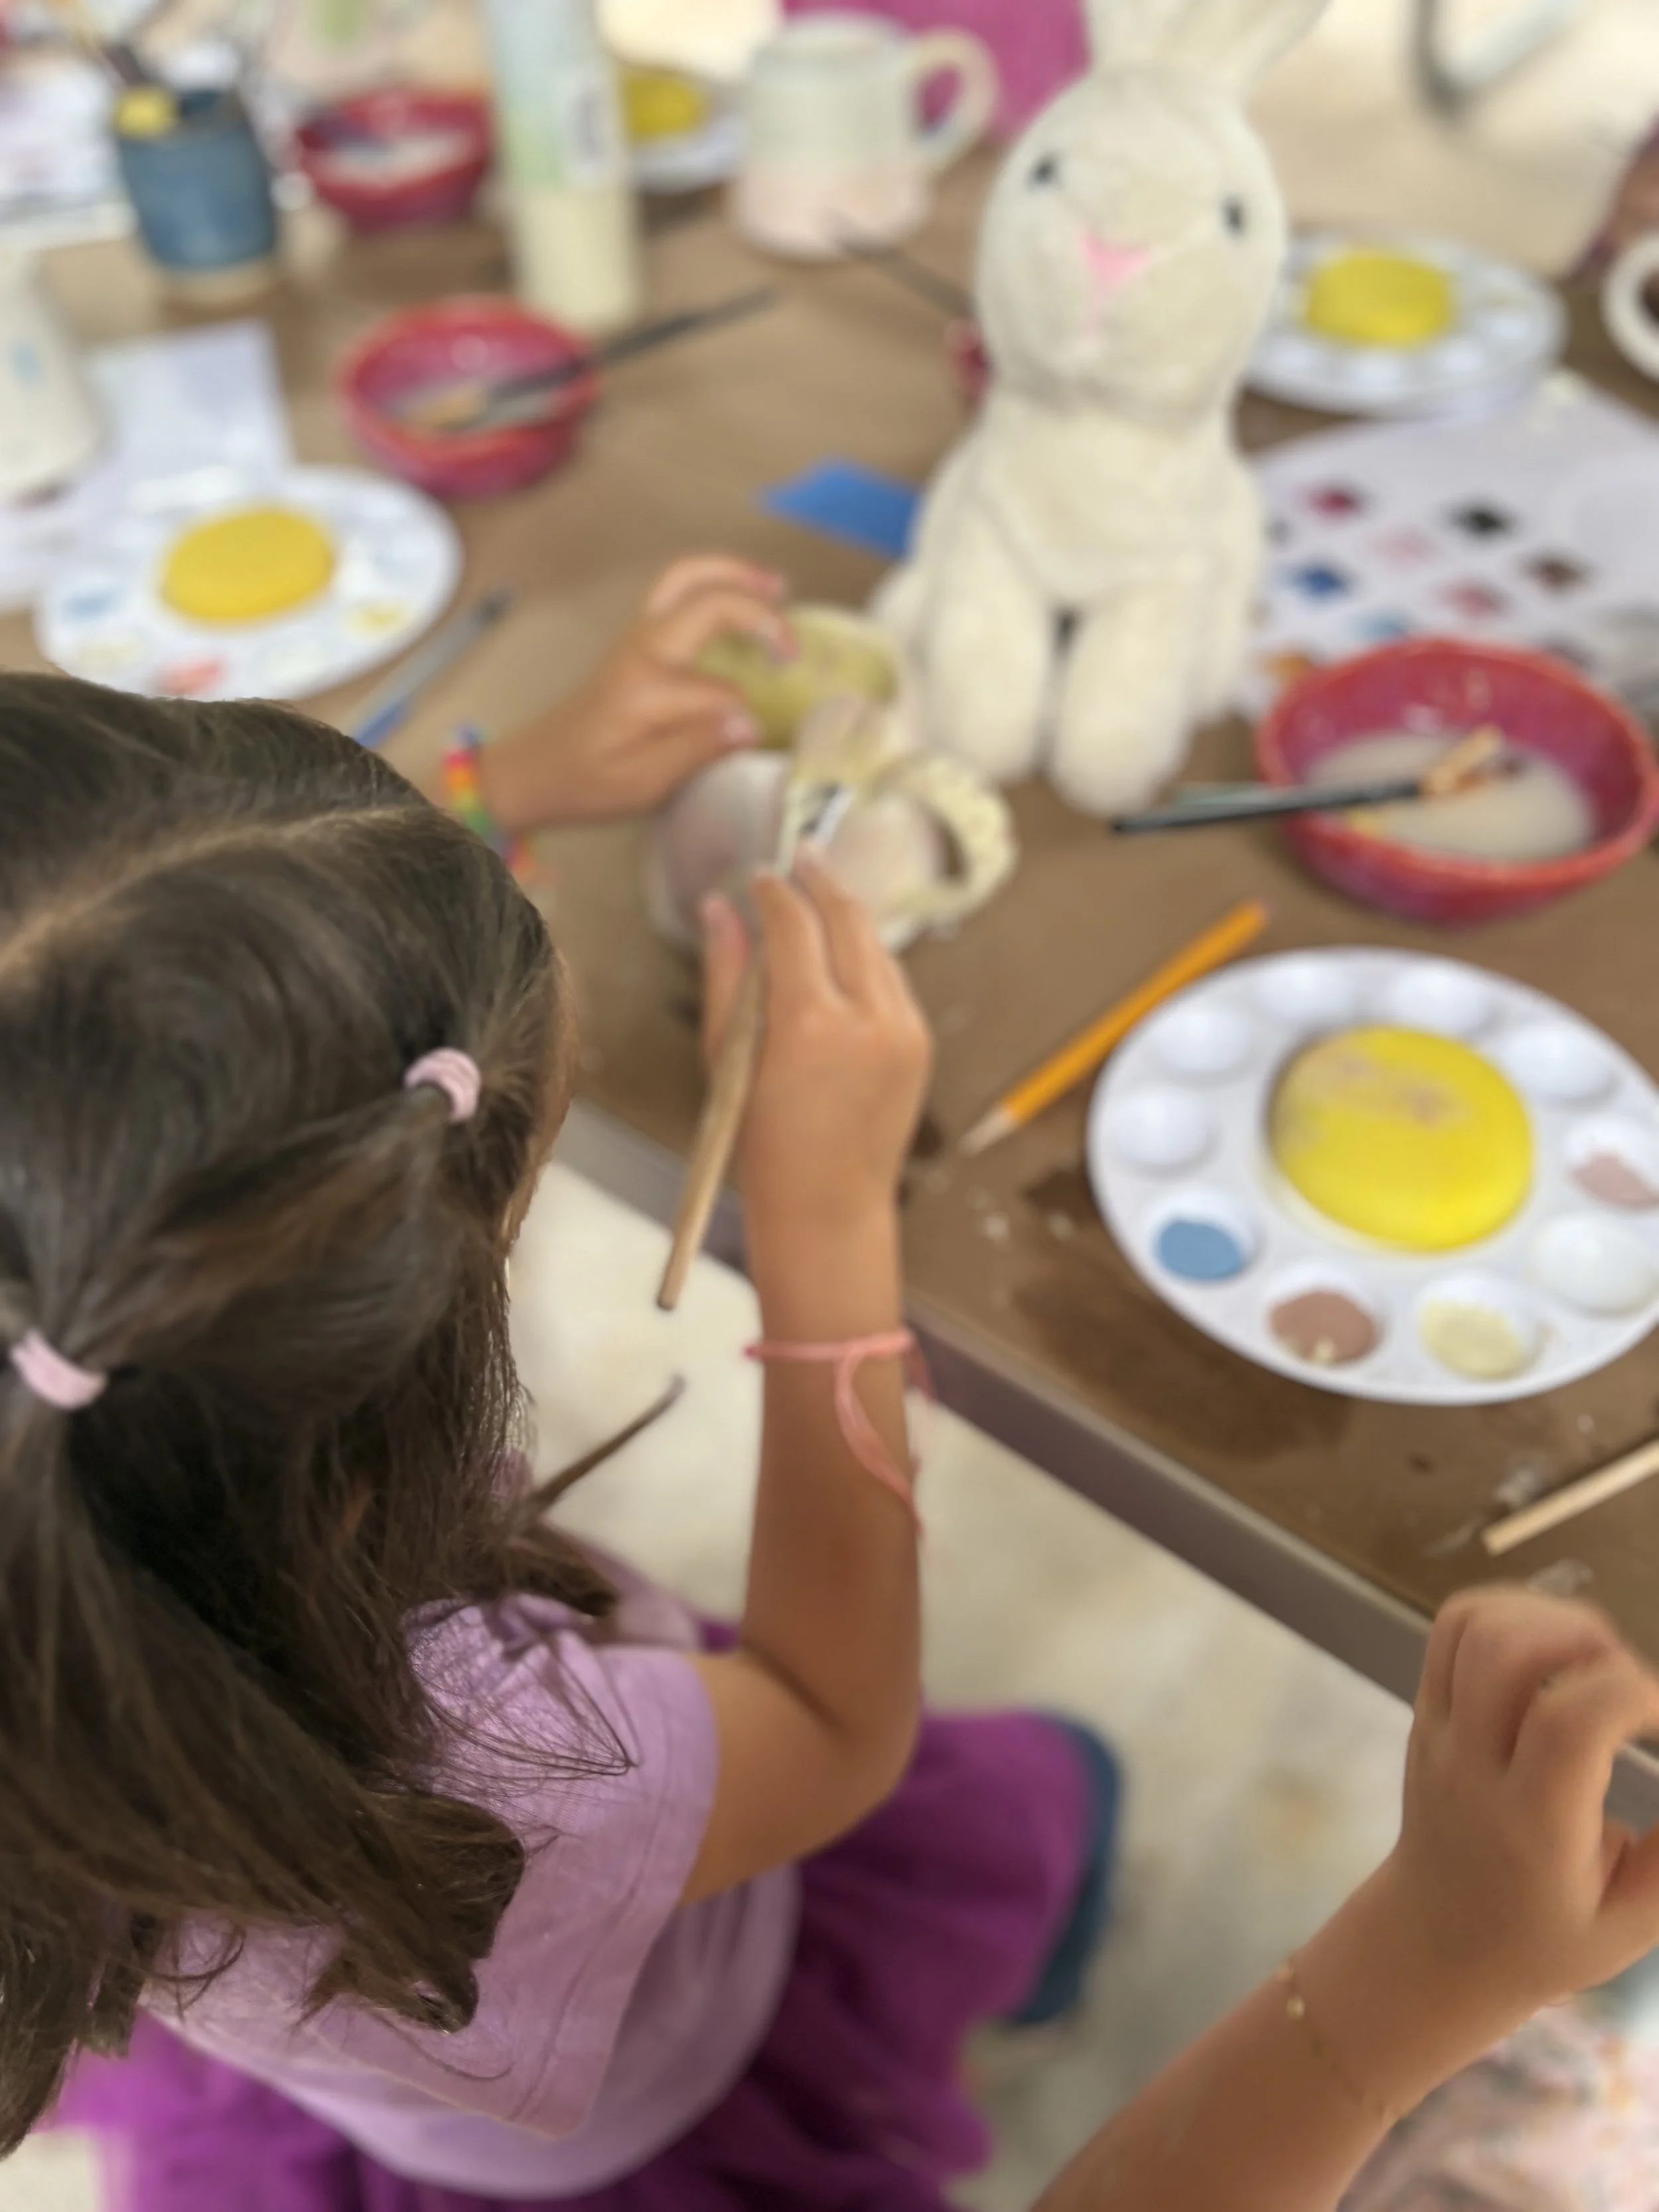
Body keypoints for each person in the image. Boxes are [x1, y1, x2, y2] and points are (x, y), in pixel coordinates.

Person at [3, 556, 1659, 2212]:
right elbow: (830, 1719)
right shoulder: (503, 1783)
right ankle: (1042, 1968)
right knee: (1042, 1796)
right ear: (358, 1399)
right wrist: (822, 1229)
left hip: (447, 2003)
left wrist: (465, 803)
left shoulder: (86, 1610)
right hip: (669, 2056)